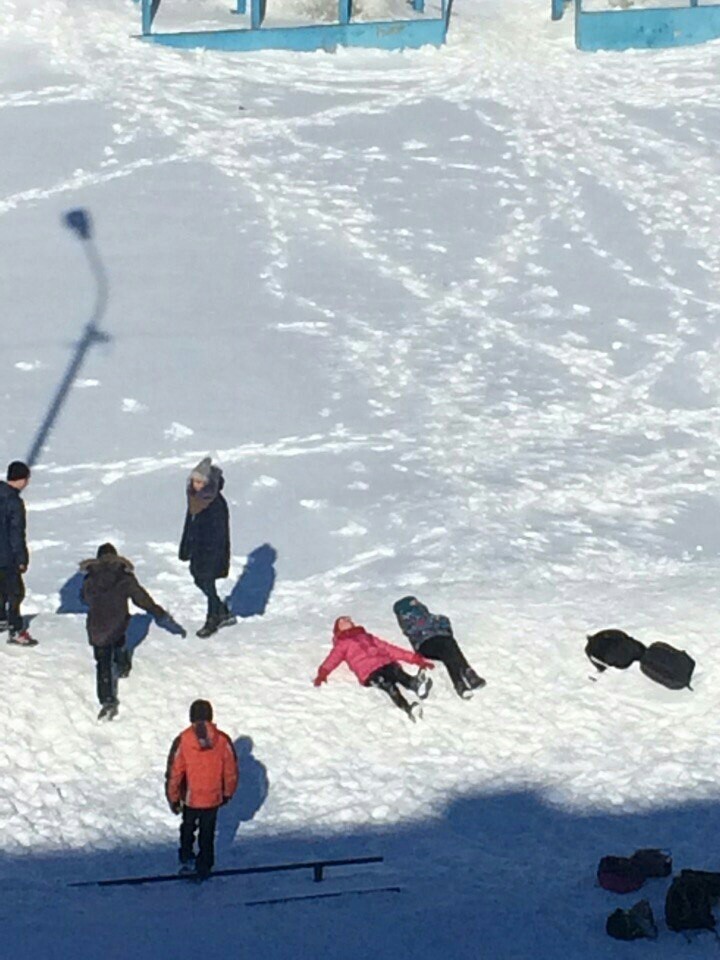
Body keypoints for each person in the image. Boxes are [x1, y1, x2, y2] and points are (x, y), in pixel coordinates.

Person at [81, 543, 181, 721]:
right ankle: (122, 664)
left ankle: (107, 700)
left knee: (102, 663)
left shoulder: (90, 578)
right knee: (118, 639)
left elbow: (85, 598)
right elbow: (141, 599)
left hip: (97, 626)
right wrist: (160, 613)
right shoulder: (124, 577)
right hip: (118, 622)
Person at [165, 699, 239, 881]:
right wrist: (228, 792)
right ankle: (204, 865)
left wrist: (173, 797)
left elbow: (174, 771)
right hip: (213, 797)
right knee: (208, 832)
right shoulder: (223, 740)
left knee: (188, 827)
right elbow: (231, 770)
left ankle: (186, 857)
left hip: (190, 796)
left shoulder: (183, 740)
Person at [313, 617, 434, 722]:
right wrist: (323, 673)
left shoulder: (367, 636)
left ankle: (416, 685)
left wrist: (415, 659)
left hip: (387, 663)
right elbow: (333, 659)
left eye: (349, 619)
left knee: (398, 673)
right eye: (343, 620)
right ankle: (407, 708)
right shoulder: (342, 644)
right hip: (369, 672)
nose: (348, 620)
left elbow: (390, 649)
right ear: (338, 628)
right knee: (388, 686)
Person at [179, 457, 235, 638]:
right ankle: (222, 611)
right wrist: (185, 547)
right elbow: (190, 523)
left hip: (211, 552)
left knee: (208, 582)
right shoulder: (195, 498)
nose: (197, 485)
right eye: (195, 481)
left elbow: (219, 534)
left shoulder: (216, 503)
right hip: (198, 550)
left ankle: (213, 619)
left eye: (201, 482)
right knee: (199, 580)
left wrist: (212, 555)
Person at [392, 596, 486, 698]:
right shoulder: (408, 622)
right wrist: (436, 622)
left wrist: (440, 624)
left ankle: (461, 682)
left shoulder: (423, 614)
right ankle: (466, 674)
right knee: (447, 646)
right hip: (425, 645)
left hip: (440, 639)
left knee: (449, 648)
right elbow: (423, 625)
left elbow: (443, 620)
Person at [0, 461, 36, 646]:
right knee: (15, 592)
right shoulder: (14, 501)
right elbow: (16, 533)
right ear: (21, 479)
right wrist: (22, 559)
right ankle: (15, 629)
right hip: (6, 557)